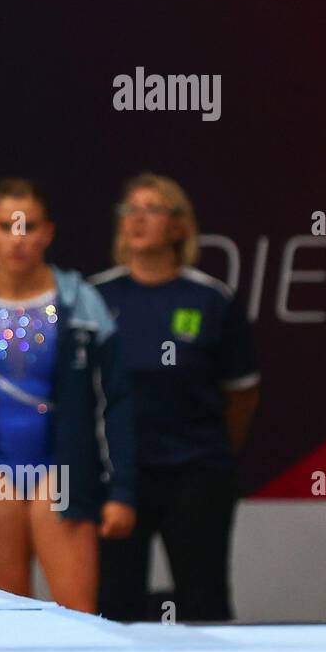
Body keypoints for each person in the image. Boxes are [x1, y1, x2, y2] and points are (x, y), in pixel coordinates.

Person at [0, 178, 136, 614]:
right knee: (11, 621)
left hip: (62, 471)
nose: (18, 239)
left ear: (48, 232)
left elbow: (118, 400)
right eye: (6, 225)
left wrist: (122, 490)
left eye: (28, 226)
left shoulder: (81, 302)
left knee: (78, 619)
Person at [92, 173, 260, 622]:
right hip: (118, 478)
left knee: (203, 602)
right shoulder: (97, 297)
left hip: (196, 473)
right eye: (130, 210)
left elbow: (241, 392)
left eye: (152, 209)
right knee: (113, 606)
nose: (137, 219)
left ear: (180, 226)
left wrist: (211, 450)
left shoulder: (208, 298)